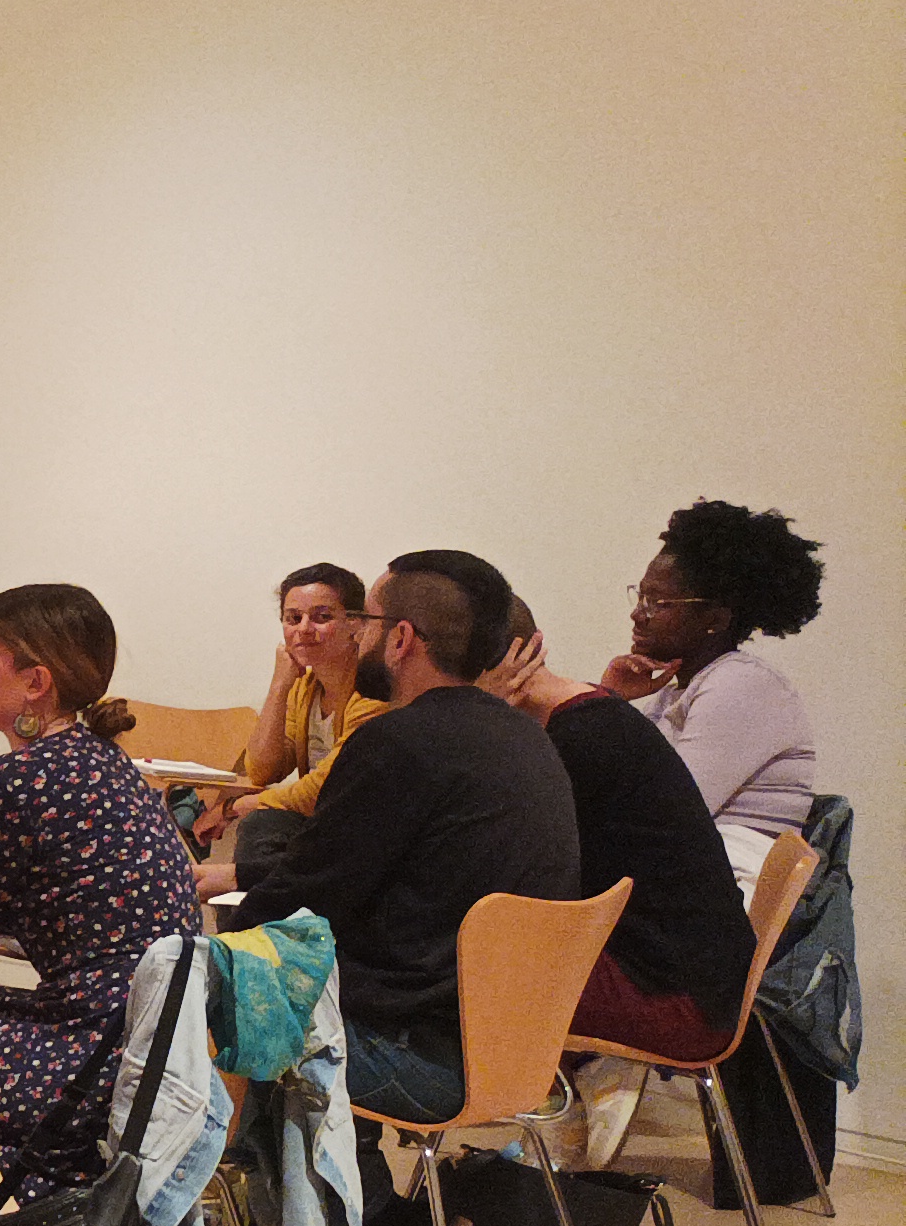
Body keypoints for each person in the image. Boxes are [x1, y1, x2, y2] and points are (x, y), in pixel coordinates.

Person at [0, 585, 204, 1202]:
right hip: (146, 1069)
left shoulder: (16, 782)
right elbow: (15, 886)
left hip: (76, 1080)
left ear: (34, 683)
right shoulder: (107, 763)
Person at [229, 549, 576, 1136]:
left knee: (192, 994)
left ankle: (303, 1213)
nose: (357, 635)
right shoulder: (524, 737)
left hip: (421, 1055)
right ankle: (330, 1207)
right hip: (514, 1052)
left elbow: (295, 904)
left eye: (365, 622)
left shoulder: (401, 741)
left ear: (402, 639)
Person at [486, 596, 755, 1166]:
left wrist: (484, 733)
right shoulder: (588, 718)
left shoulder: (581, 739)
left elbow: (507, 877)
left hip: (676, 998)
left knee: (424, 978)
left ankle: (547, 1139)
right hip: (686, 977)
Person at [602, 499, 823, 886]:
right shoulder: (674, 694)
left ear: (715, 620)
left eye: (659, 602)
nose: (638, 614)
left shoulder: (740, 685)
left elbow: (664, 816)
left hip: (724, 895)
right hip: (686, 881)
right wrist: (608, 698)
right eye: (641, 597)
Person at [203, 562, 386, 886]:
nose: (303, 628)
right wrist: (279, 684)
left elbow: (326, 790)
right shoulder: (306, 687)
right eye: (293, 618)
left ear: (356, 624)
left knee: (264, 824)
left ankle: (248, 934)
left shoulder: (374, 692)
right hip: (319, 826)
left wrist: (235, 806)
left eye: (321, 617)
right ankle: (248, 933)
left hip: (363, 831)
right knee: (263, 826)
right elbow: (262, 769)